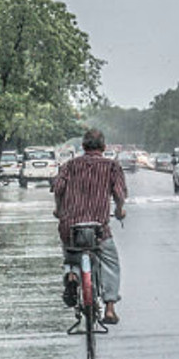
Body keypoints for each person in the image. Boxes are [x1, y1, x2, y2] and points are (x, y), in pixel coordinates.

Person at [53, 129, 127, 324]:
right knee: (110, 263)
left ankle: (72, 276)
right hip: (98, 229)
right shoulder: (112, 167)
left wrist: (59, 210)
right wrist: (120, 209)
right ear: (103, 147)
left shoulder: (69, 166)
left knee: (70, 256)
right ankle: (110, 307)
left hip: (71, 228)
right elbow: (119, 194)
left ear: (83, 147)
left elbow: (58, 189)